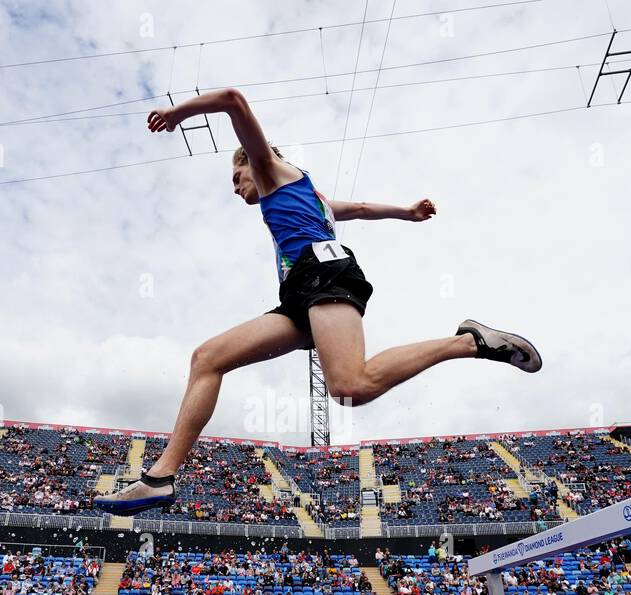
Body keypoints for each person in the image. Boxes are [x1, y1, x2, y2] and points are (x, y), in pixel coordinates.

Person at [95, 87, 542, 514]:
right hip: (298, 297)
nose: (235, 188)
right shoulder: (316, 197)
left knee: (350, 388)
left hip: (323, 273)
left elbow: (233, 100)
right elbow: (363, 209)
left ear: (253, 162)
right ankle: (161, 476)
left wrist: (179, 114)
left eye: (236, 176)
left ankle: (468, 342)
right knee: (208, 357)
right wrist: (407, 212)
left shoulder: (268, 169)